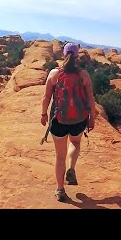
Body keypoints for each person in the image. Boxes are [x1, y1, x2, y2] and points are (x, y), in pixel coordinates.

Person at [41, 42, 97, 202]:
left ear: (63, 55)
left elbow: (46, 97)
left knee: (60, 156)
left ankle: (60, 190)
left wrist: (43, 114)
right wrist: (92, 118)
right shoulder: (83, 75)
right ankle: (71, 169)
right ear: (77, 56)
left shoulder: (54, 74)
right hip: (79, 119)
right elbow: (90, 99)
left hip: (58, 120)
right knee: (75, 143)